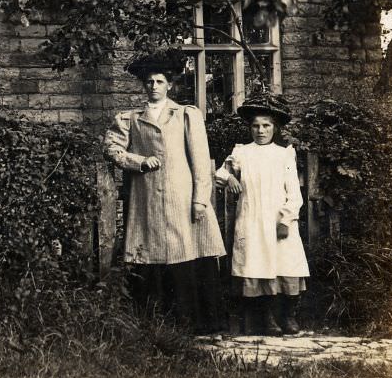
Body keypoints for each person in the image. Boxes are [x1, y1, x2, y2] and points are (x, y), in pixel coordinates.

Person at [103, 51, 225, 332]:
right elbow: (111, 150)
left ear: (170, 84)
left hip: (181, 199)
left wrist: (200, 200)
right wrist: (139, 161)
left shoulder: (185, 115)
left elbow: (200, 160)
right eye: (149, 82)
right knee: (150, 254)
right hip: (147, 200)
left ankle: (194, 324)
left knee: (185, 252)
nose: (154, 86)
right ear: (144, 86)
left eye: (159, 81)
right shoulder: (129, 118)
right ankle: (154, 323)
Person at [215, 91, 309, 335]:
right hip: (252, 218)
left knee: (287, 265)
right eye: (255, 126)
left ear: (274, 127)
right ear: (250, 128)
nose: (260, 130)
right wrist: (231, 179)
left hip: (278, 218)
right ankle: (266, 319)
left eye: (266, 125)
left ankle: (288, 316)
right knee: (257, 266)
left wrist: (286, 219)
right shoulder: (241, 152)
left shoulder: (284, 153)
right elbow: (219, 173)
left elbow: (294, 193)